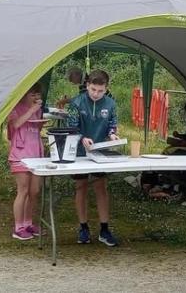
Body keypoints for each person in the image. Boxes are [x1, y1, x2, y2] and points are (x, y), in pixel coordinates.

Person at [66, 69, 120, 247]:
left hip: (100, 152)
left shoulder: (111, 104)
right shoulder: (76, 103)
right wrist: (82, 138)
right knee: (81, 187)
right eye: (93, 90)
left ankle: (104, 229)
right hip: (79, 152)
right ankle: (83, 227)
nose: (96, 94)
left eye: (100, 91)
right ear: (87, 86)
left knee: (101, 188)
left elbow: (112, 125)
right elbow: (71, 127)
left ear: (106, 88)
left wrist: (112, 135)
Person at [7, 83, 46, 240]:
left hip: (36, 154)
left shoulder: (37, 110)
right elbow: (15, 124)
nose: (36, 98)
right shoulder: (15, 108)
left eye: (38, 95)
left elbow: (36, 128)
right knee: (23, 190)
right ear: (24, 95)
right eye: (32, 95)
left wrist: (41, 117)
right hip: (20, 155)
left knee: (34, 191)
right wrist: (32, 110)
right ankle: (18, 227)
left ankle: (29, 223)